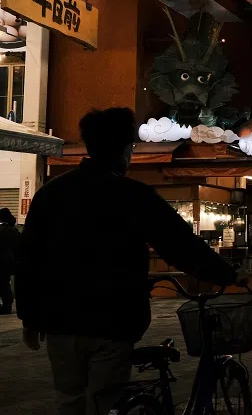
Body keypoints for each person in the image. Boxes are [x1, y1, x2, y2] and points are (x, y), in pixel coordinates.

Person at [15, 108, 237, 415]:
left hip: (59, 321)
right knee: (103, 402)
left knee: (68, 398)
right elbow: (180, 245)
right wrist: (224, 273)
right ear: (124, 149)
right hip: (112, 319)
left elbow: (28, 258)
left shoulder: (52, 194)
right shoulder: (134, 196)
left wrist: (30, 316)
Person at [0, 207, 20, 315]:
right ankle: (7, 304)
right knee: (5, 283)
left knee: (3, 283)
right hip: (9, 262)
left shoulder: (1, 230)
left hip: (1, 261)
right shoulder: (13, 231)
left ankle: (6, 305)